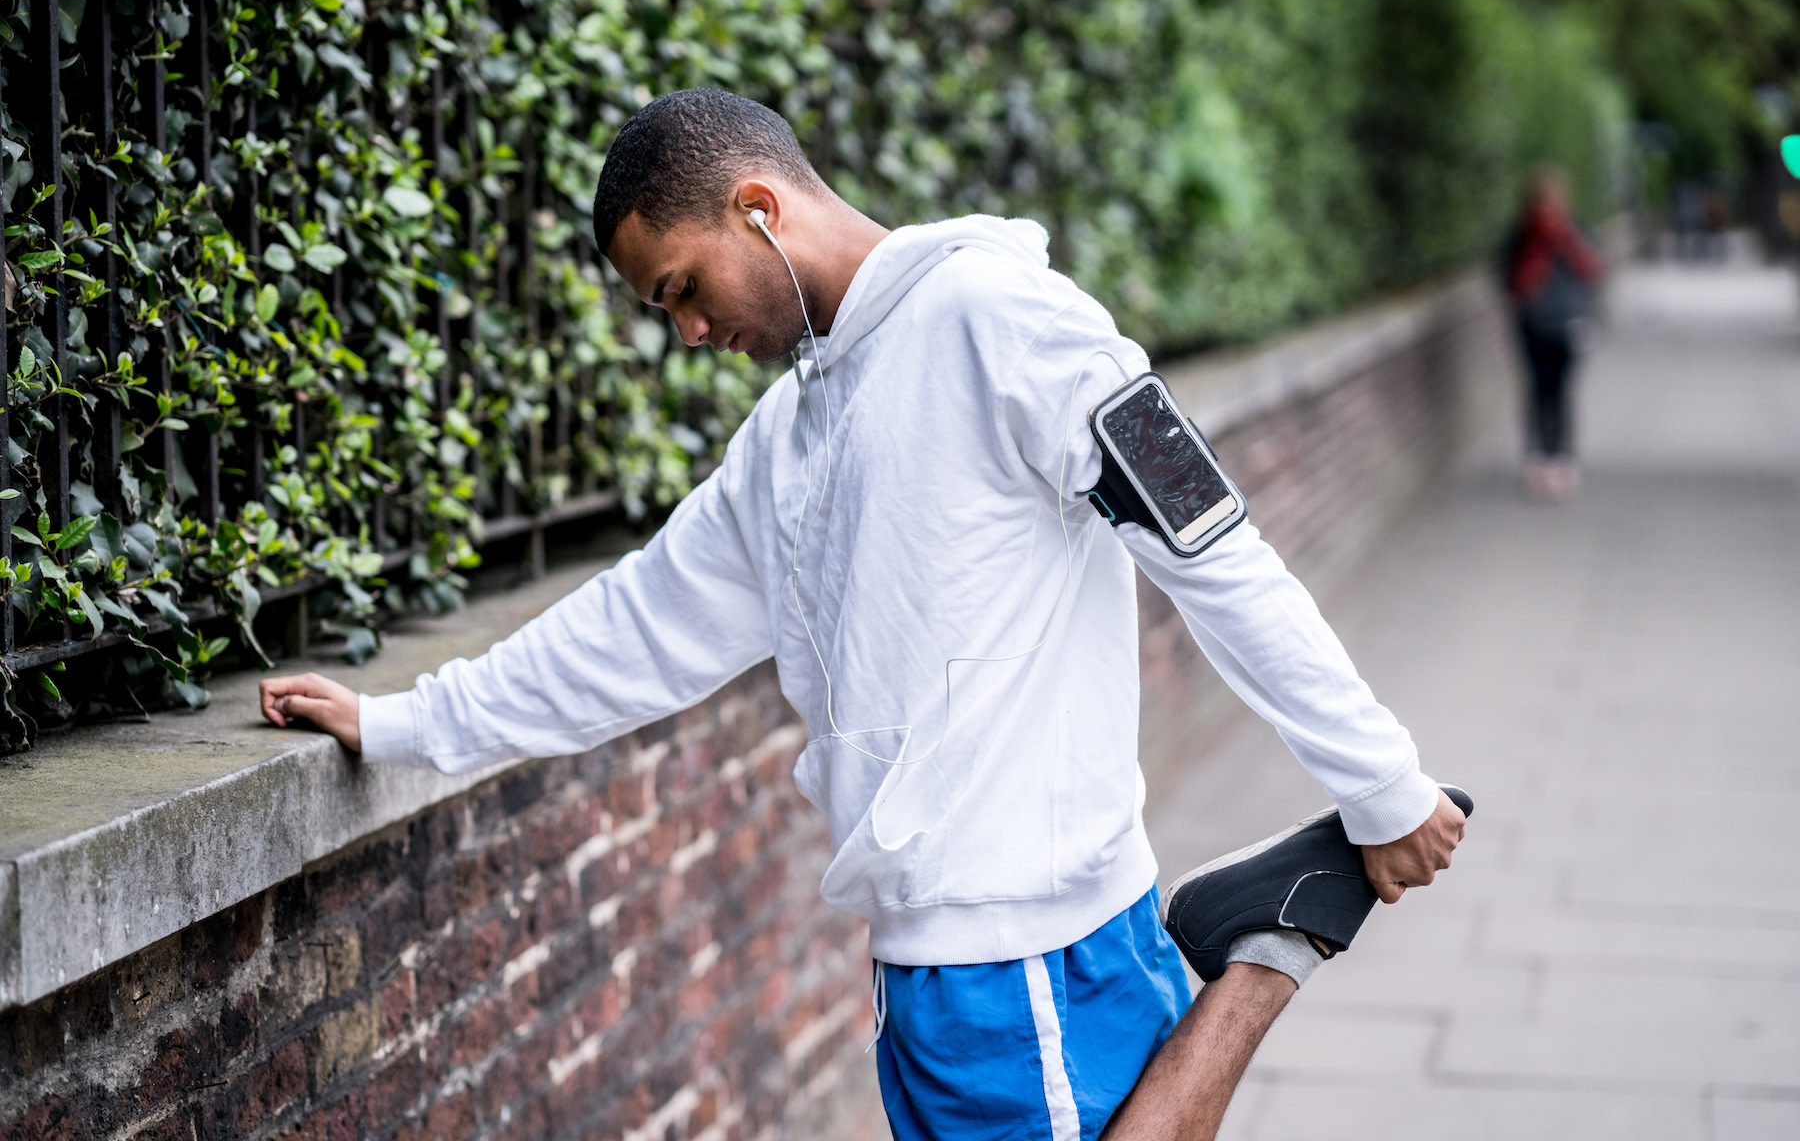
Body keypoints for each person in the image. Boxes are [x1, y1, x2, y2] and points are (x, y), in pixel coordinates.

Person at [261, 88, 1466, 1141]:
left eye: (681, 288)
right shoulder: (788, 437)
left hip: (1029, 948)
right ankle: (1249, 937)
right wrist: (405, 721)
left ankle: (1264, 950)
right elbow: (631, 629)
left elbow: (1215, 551)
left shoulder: (1008, 322)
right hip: (919, 968)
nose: (685, 331)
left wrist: (1379, 785)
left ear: (758, 209)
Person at [1502, 168, 1604, 501]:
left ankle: (1560, 455)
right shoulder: (1522, 238)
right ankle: (1539, 456)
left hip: (1566, 325)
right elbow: (1510, 281)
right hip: (1534, 326)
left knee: (1558, 390)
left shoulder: (1572, 232)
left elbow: (1593, 269)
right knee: (1538, 388)